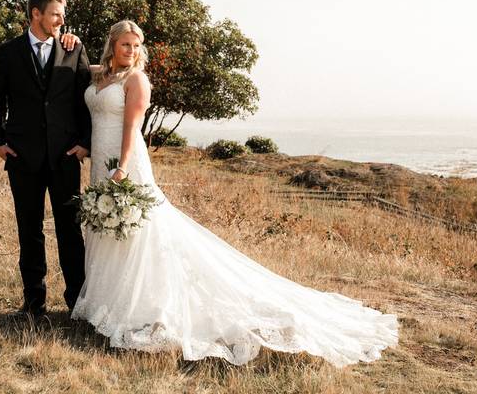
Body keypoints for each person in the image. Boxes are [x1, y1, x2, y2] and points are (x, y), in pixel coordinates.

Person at [71, 20, 399, 367]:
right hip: (99, 164)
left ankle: (141, 308)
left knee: (138, 230)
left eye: (136, 46)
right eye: (125, 45)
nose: (132, 52)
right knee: (110, 229)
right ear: (112, 45)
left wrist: (121, 167)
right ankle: (109, 303)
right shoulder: (102, 76)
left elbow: (131, 127)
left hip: (126, 163)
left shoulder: (137, 79)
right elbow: (81, 73)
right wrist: (74, 45)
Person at [0, 0, 92, 317]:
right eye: (56, 14)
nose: (61, 20)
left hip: (64, 157)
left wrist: (85, 143)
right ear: (36, 14)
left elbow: (84, 100)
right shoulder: (8, 52)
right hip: (22, 157)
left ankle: (78, 303)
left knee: (70, 232)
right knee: (29, 231)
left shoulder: (73, 49)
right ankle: (34, 303)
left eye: (62, 15)